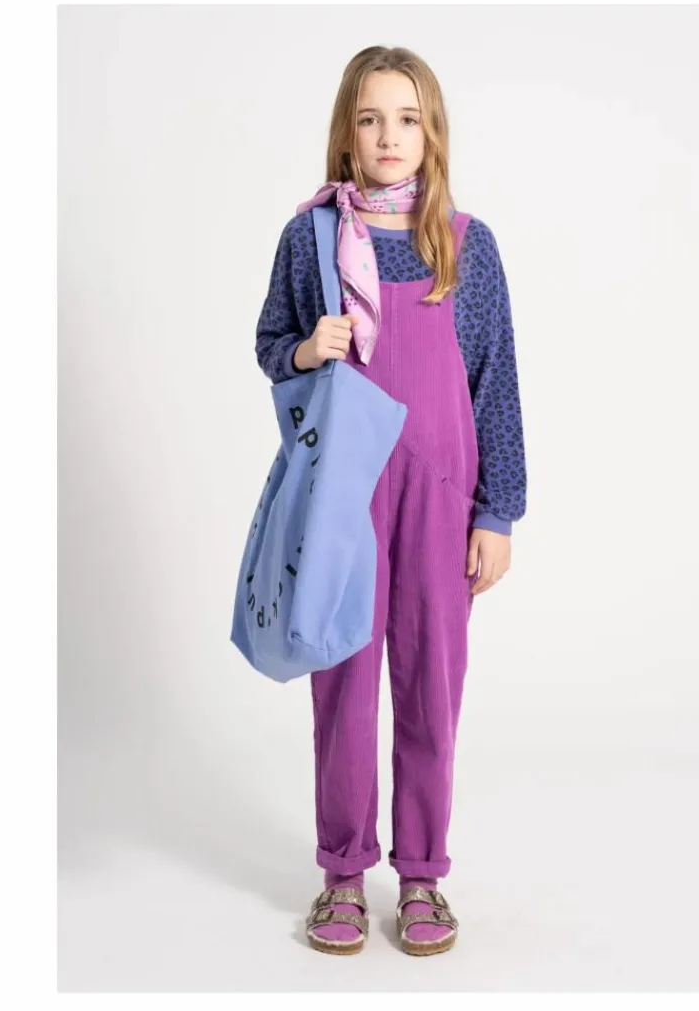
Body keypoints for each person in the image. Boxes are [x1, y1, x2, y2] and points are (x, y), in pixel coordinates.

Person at [254, 46, 527, 956]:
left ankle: (421, 876)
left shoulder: (464, 242)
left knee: (430, 684)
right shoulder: (312, 239)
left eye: (407, 119)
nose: (388, 136)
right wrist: (308, 348)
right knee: (342, 681)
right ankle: (341, 872)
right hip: (343, 496)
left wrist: (497, 511)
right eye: (370, 118)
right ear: (347, 132)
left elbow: (494, 384)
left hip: (440, 497)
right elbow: (271, 343)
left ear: (432, 131)